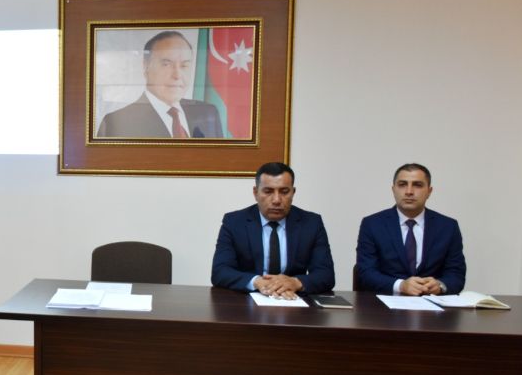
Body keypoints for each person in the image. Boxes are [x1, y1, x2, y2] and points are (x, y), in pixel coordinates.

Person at [211, 162, 335, 298]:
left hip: (293, 300)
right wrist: (257, 281)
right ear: (255, 193)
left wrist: (295, 282)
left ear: (293, 193)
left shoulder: (311, 223)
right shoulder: (234, 222)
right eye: (268, 191)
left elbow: (326, 274)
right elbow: (220, 272)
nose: (276, 200)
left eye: (284, 192)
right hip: (247, 301)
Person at [355, 163, 465, 295]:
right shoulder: (372, 224)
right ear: (393, 189)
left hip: (431, 303)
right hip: (385, 303)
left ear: (429, 191)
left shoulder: (448, 226)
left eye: (417, 185)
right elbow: (366, 273)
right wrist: (401, 285)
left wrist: (440, 285)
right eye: (402, 184)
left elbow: (456, 274)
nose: (409, 192)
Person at [97, 30, 226, 138]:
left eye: (184, 65)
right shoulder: (117, 122)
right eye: (166, 64)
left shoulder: (208, 113)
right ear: (145, 66)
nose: (177, 75)